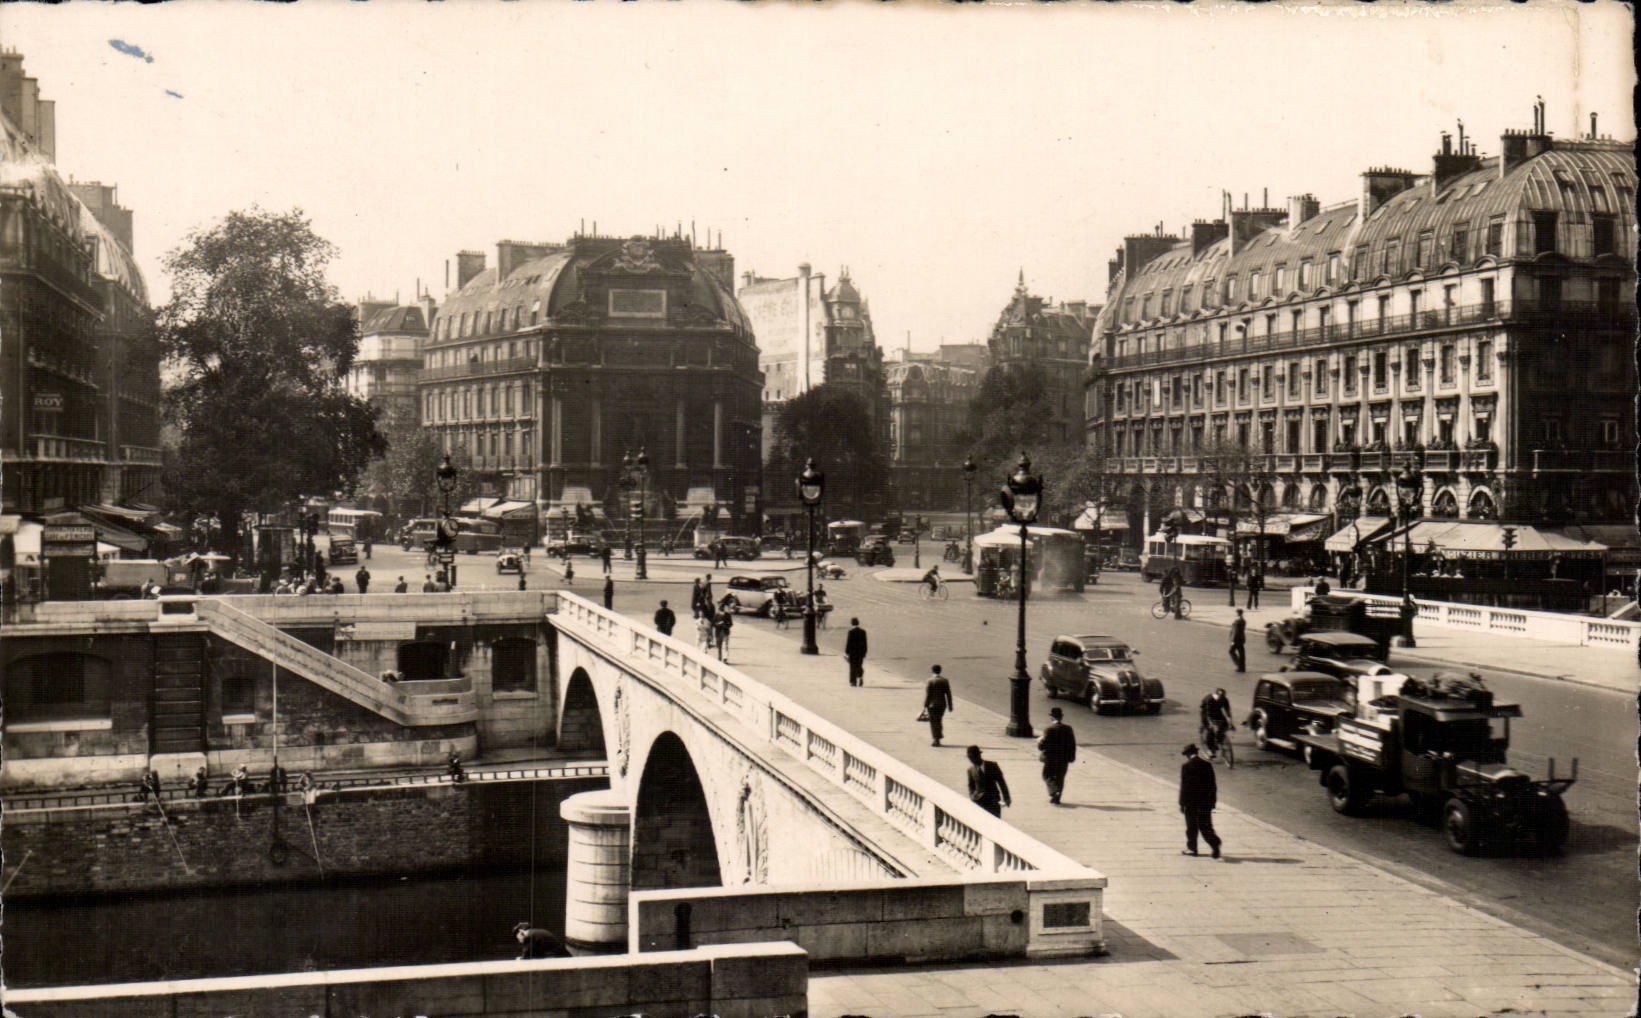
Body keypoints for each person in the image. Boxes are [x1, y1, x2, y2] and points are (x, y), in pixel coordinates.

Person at [1179, 743, 1223, 859]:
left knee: (1191, 827)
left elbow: (1184, 787)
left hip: (1191, 803)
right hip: (1205, 803)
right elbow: (1213, 785)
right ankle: (1214, 843)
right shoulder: (1207, 765)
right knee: (1205, 826)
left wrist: (1182, 804)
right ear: (1196, 752)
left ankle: (1192, 848)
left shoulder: (1186, 766)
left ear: (1188, 755)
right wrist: (1212, 802)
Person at [1038, 707, 1077, 805]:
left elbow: (1042, 745)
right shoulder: (1068, 729)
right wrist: (1071, 756)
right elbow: (1072, 744)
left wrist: (1039, 741)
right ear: (1061, 717)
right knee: (1060, 777)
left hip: (1050, 759)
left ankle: (1054, 791)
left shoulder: (1049, 729)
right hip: (1063, 758)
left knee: (1046, 775)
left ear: (1051, 717)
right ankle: (1057, 797)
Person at [965, 745, 1011, 817]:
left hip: (993, 801)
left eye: (972, 758)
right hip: (978, 802)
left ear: (978, 756)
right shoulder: (970, 770)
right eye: (970, 758)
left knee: (994, 822)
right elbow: (971, 786)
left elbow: (1002, 782)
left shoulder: (992, 766)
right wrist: (972, 796)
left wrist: (1006, 798)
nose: (971, 760)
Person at [1199, 688, 1234, 760]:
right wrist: (1211, 724)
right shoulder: (1210, 699)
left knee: (1224, 725)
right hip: (1206, 713)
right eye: (1219, 697)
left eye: (1222, 697)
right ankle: (1210, 750)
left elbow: (1227, 711)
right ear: (1216, 695)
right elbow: (1208, 714)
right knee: (1210, 731)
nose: (1221, 698)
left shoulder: (1224, 699)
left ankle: (1219, 740)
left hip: (1217, 712)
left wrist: (1230, 722)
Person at [924, 665, 954, 746]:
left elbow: (928, 694)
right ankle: (938, 738)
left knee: (933, 722)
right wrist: (950, 706)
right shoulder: (944, 681)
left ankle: (936, 739)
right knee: (939, 721)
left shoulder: (930, 681)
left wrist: (925, 705)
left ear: (932, 671)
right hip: (942, 705)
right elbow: (948, 694)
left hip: (932, 705)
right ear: (940, 671)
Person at [844, 617, 868, 687]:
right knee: (859, 665)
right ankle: (860, 677)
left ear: (852, 623)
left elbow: (848, 643)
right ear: (858, 623)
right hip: (860, 653)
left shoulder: (851, 632)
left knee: (852, 667)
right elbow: (865, 643)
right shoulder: (863, 632)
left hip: (853, 653)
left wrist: (846, 652)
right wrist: (864, 652)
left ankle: (853, 681)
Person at [1229, 608, 1247, 672]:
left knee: (1231, 651)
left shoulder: (1238, 621)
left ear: (1238, 613)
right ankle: (1242, 667)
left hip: (1237, 639)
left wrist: (1233, 641)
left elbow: (1236, 632)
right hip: (1241, 639)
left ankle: (1239, 665)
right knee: (1241, 653)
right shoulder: (1243, 620)